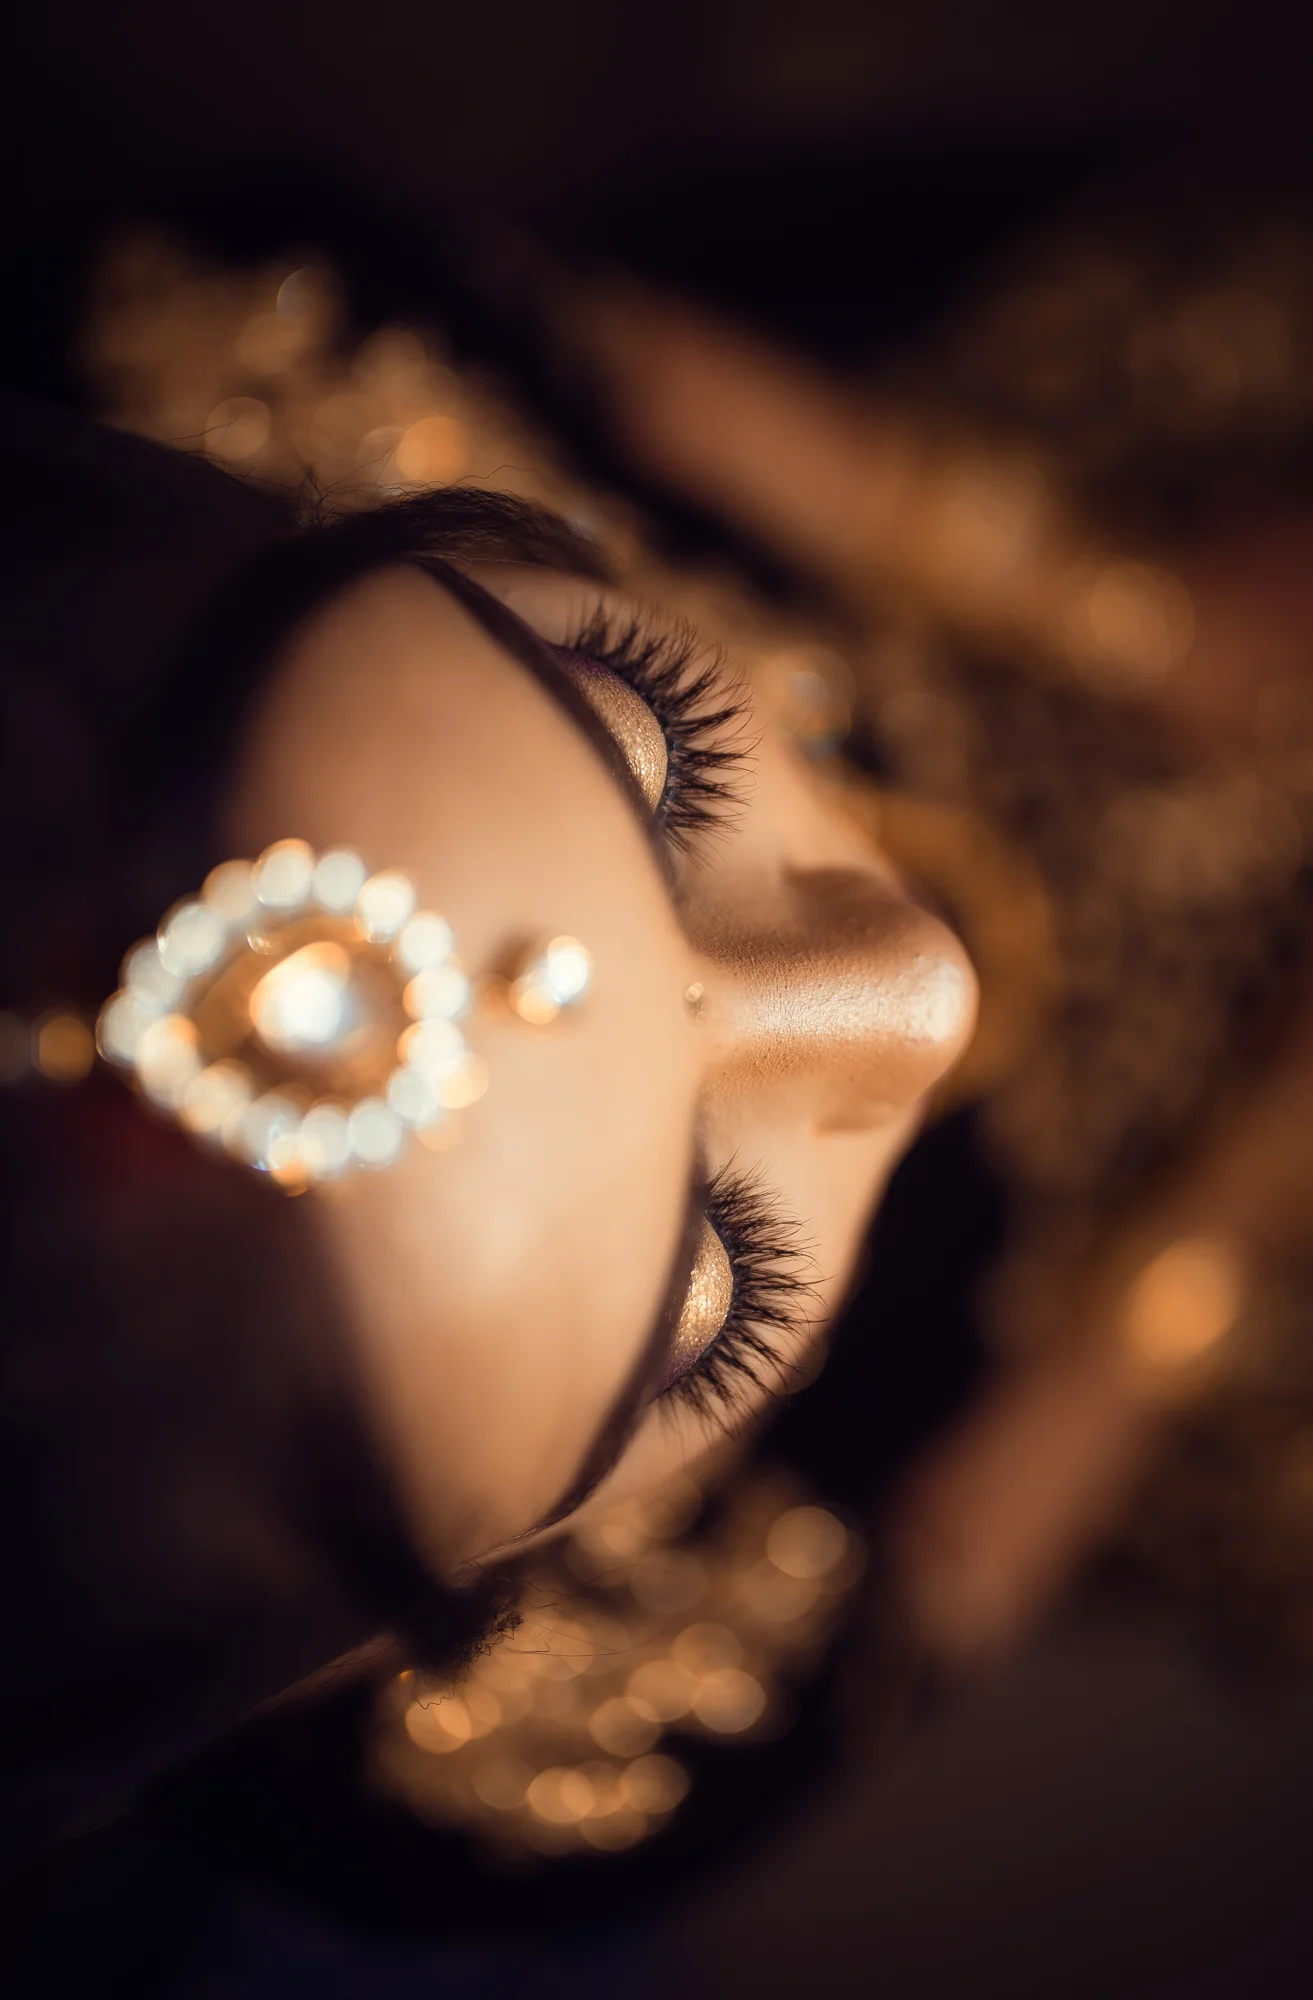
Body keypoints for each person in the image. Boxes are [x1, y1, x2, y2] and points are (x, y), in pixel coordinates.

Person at [0, 386, 975, 1867]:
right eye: (709, 1297)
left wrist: (1114, 601)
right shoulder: (580, 1760)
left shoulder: (298, 355)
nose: (924, 995)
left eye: (639, 732)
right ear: (351, 1657)